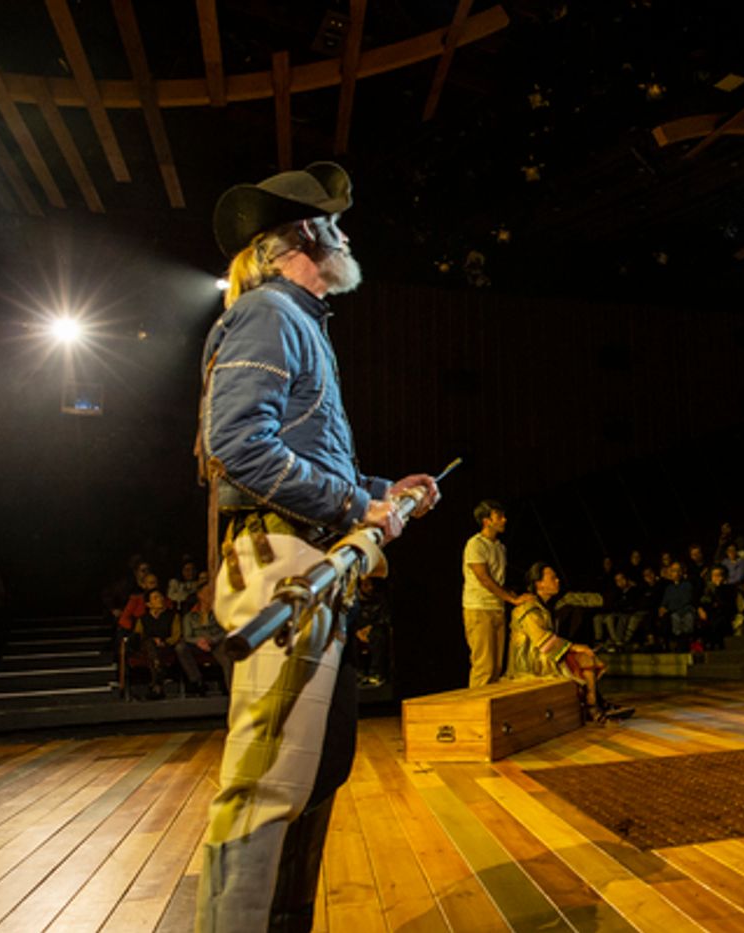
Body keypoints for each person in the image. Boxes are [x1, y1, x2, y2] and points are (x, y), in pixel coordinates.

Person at [195, 161, 440, 932]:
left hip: (310, 562)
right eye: (334, 221)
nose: (345, 233)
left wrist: (377, 488)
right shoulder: (271, 312)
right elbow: (237, 444)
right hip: (284, 565)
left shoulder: (297, 320)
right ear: (304, 235)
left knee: (316, 768)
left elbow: (307, 458)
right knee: (268, 781)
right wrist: (351, 503)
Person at [508, 563, 633, 723]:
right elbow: (542, 640)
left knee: (585, 656)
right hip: (529, 663)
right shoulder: (528, 607)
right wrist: (573, 647)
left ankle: (594, 704)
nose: (558, 580)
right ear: (539, 584)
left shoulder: (544, 606)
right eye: (552, 577)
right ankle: (593, 706)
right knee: (581, 656)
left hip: (543, 655)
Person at [462, 499, 531, 688]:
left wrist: (515, 596)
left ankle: (489, 712)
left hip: (496, 607)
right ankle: (474, 713)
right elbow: (484, 579)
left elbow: (498, 581)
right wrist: (512, 599)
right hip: (479, 608)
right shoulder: (475, 544)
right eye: (498, 516)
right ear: (486, 521)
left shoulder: (500, 547)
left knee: (496, 667)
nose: (504, 520)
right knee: (484, 665)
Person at [174, 588, 232, 695]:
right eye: (207, 593)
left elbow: (225, 631)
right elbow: (187, 636)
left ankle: (230, 688)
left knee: (226, 651)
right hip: (197, 644)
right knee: (180, 647)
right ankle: (197, 681)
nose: (211, 595)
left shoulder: (218, 613)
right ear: (200, 595)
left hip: (216, 642)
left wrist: (212, 640)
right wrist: (199, 641)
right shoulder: (189, 616)